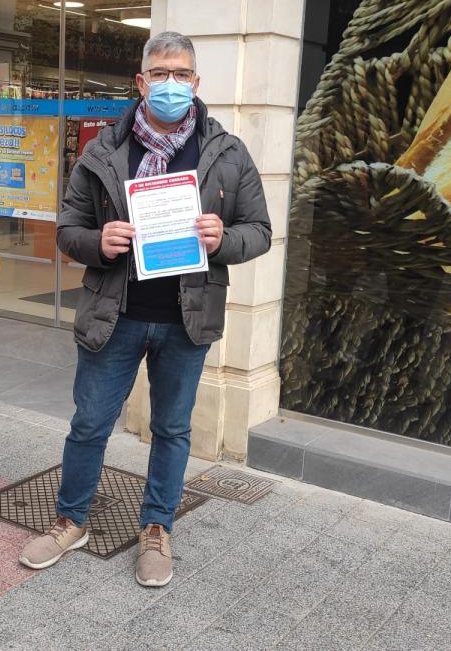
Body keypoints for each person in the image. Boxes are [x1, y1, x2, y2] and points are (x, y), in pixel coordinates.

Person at [19, 32, 271, 586]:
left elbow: (261, 233)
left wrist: (222, 238)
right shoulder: (104, 150)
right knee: (89, 425)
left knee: (173, 429)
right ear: (141, 81)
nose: (171, 84)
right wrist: (97, 241)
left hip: (187, 318)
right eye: (160, 74)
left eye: (181, 75)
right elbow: (67, 228)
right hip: (117, 314)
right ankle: (71, 519)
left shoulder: (227, 152)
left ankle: (157, 528)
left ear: (197, 83)